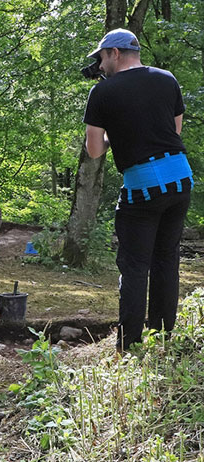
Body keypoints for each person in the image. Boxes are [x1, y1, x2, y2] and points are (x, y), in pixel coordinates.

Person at [83, 29, 193, 351]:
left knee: (134, 268)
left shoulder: (102, 93)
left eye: (101, 57)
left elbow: (93, 150)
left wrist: (113, 133)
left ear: (115, 53)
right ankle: (163, 339)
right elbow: (174, 130)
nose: (100, 66)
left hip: (142, 188)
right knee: (166, 261)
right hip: (180, 179)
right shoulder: (166, 79)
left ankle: (129, 347)